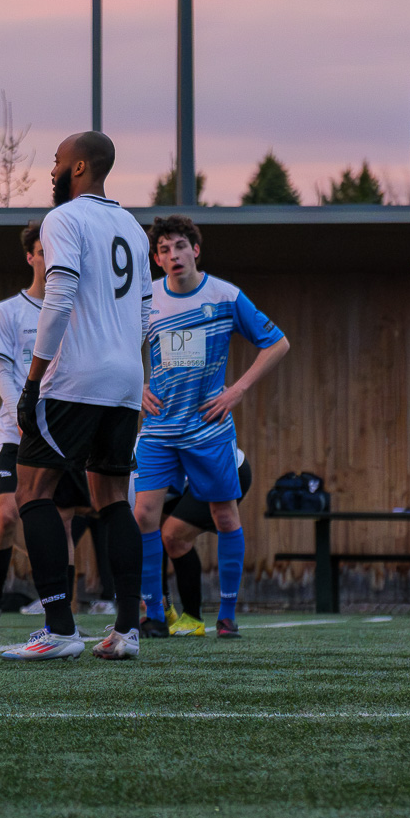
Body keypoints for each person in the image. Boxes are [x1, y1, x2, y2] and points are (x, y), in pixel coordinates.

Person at [3, 131, 150, 662]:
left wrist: (35, 379)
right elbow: (145, 313)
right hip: (125, 380)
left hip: (76, 378)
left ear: (80, 166)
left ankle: (60, 628)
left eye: (58, 160)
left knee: (33, 490)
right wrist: (127, 369)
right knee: (112, 499)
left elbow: (60, 295)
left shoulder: (62, 219)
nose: (52, 169)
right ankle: (127, 632)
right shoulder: (132, 226)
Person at [131, 215, 288, 640]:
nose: (173, 255)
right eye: (163, 250)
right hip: (160, 430)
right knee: (144, 513)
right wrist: (137, 385)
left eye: (180, 246)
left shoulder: (225, 296)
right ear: (157, 259)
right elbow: (122, 347)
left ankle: (228, 615)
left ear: (195, 250)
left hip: (208, 429)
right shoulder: (146, 300)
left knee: (224, 514)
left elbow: (278, 343)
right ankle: (152, 615)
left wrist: (236, 391)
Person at [0, 220, 103, 636]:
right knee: (8, 512)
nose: (51, 258)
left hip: (63, 435)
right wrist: (22, 412)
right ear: (31, 256)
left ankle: (62, 616)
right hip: (19, 433)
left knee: (63, 521)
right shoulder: (8, 311)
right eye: (43, 251)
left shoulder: (73, 309)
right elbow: (2, 370)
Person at [149, 445, 254, 637]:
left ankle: (194, 617)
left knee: (173, 535)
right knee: (154, 529)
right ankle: (163, 611)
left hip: (224, 467)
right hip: (189, 476)